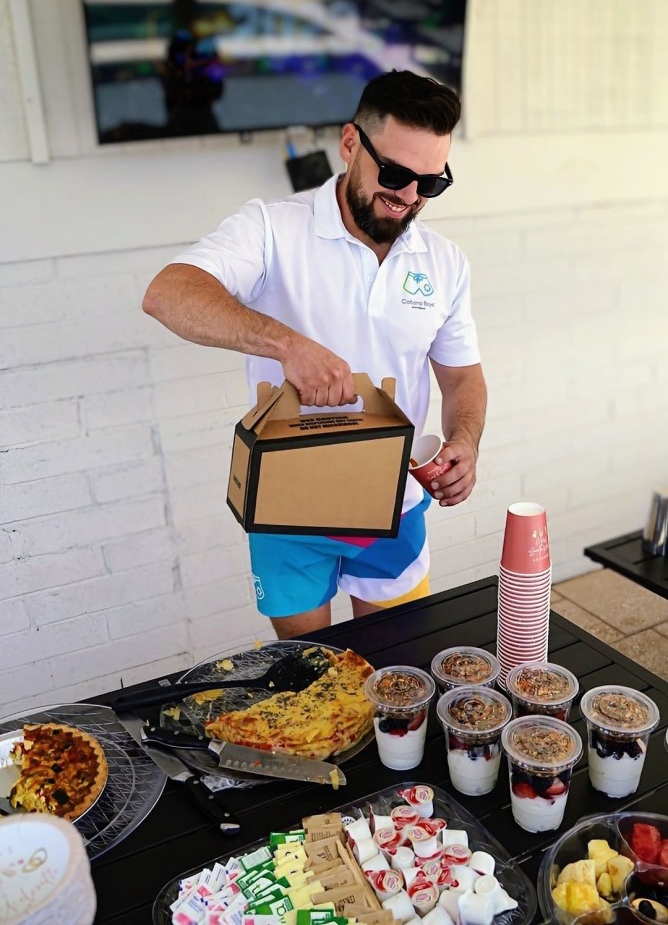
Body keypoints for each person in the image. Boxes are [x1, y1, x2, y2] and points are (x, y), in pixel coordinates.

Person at [142, 69, 487, 639]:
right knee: (316, 687)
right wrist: (287, 344)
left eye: (430, 184)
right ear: (350, 143)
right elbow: (168, 293)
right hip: (289, 511)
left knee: (395, 673)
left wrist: (465, 443)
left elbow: (462, 378)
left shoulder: (444, 261)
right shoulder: (273, 228)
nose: (408, 197)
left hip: (396, 507)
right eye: (396, 173)